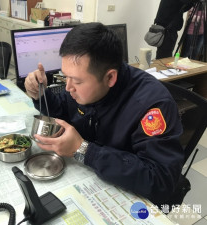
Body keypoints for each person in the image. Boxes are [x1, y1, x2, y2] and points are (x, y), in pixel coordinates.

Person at [25, 22, 184, 207]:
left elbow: (160, 181)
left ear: (110, 77)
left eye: (75, 81)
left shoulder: (152, 105)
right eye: (65, 76)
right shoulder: (83, 88)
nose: (68, 87)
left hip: (128, 197)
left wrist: (84, 150)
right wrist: (41, 94)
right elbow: (62, 110)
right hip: (90, 178)